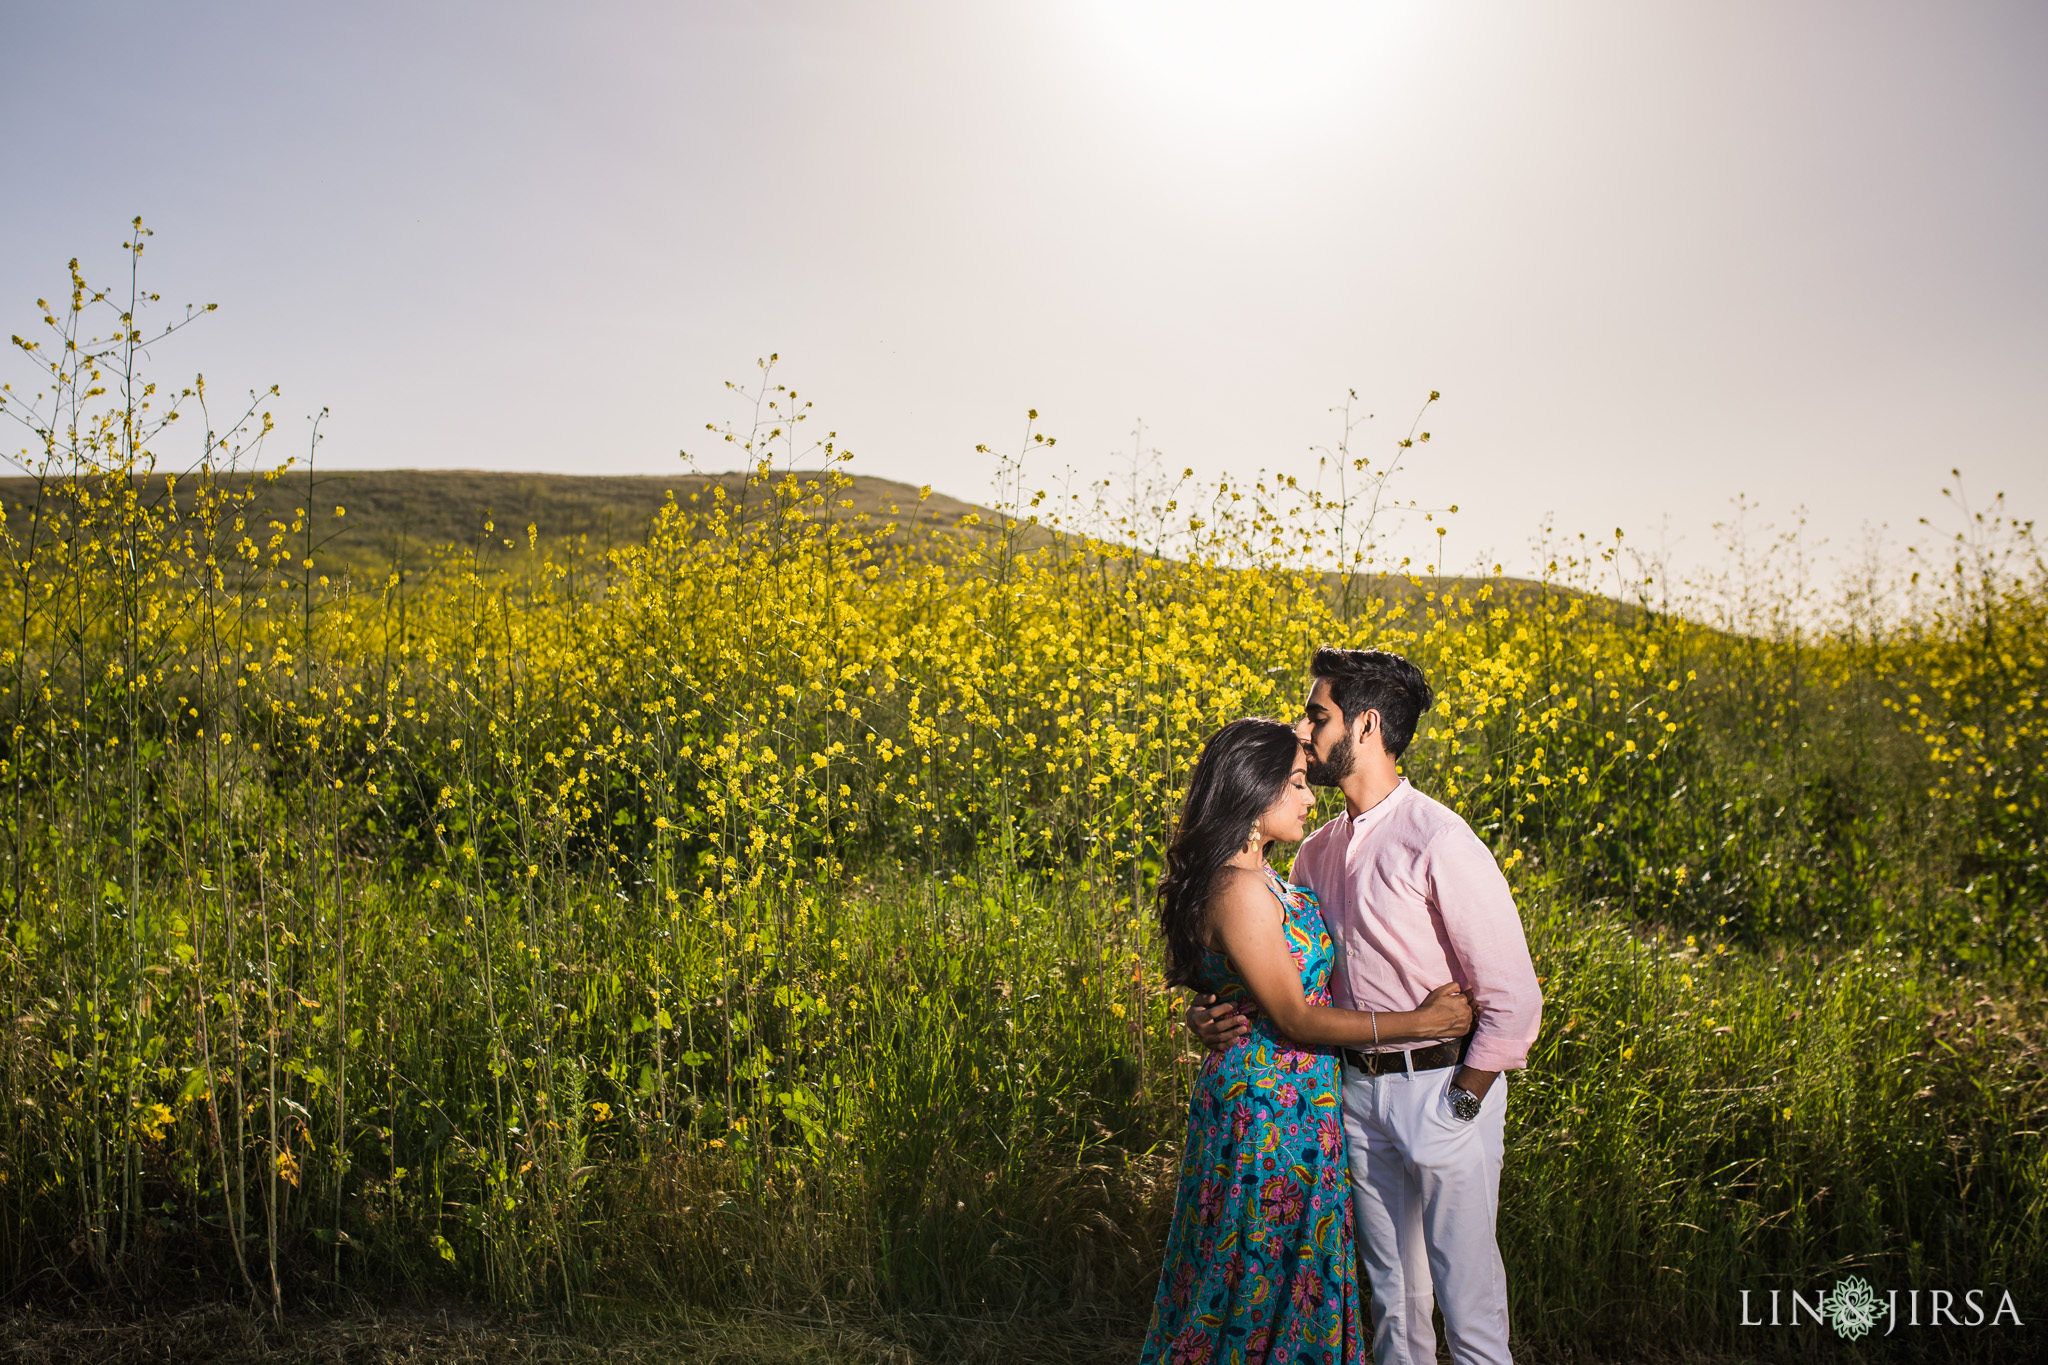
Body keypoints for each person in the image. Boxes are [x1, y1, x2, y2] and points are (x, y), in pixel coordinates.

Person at [1188, 649, 1543, 1365]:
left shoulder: (1440, 839)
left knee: (1469, 1304)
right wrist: (1213, 1011)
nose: (1304, 726)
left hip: (1443, 1090)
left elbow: (1513, 998)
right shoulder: (1313, 852)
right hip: (1351, 1094)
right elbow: (1282, 974)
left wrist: (1463, 1103)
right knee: (1395, 1301)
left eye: (1318, 714)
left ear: (1367, 724)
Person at [1141, 717, 1476, 1365]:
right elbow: (1294, 1016)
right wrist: (1423, 1022)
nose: (1310, 796)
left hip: (1295, 1105)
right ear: (1253, 787)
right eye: (1295, 783)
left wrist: (1206, 1010)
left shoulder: (1262, 876)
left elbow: (1240, 984)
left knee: (1284, 1274)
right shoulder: (1239, 888)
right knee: (1255, 1277)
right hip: (1266, 1113)